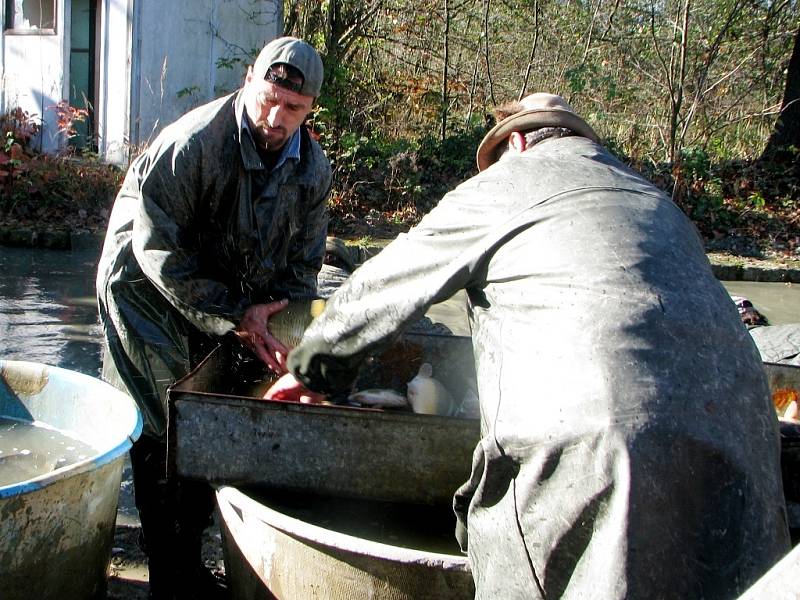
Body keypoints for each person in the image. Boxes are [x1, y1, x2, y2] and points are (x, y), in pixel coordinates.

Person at [267, 93, 791, 598]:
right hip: (747, 447)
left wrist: (313, 369)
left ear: (515, 144)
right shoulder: (653, 199)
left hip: (600, 451)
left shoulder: (513, 181)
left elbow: (383, 285)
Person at [96, 36, 331, 599]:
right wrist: (236, 314)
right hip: (145, 289)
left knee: (221, 408)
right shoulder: (194, 142)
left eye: (293, 109)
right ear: (249, 79)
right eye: (268, 97)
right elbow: (159, 253)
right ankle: (170, 575)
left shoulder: (313, 171)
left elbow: (301, 270)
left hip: (228, 287)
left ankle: (189, 558)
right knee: (167, 425)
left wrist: (281, 329)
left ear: (311, 110)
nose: (276, 117)